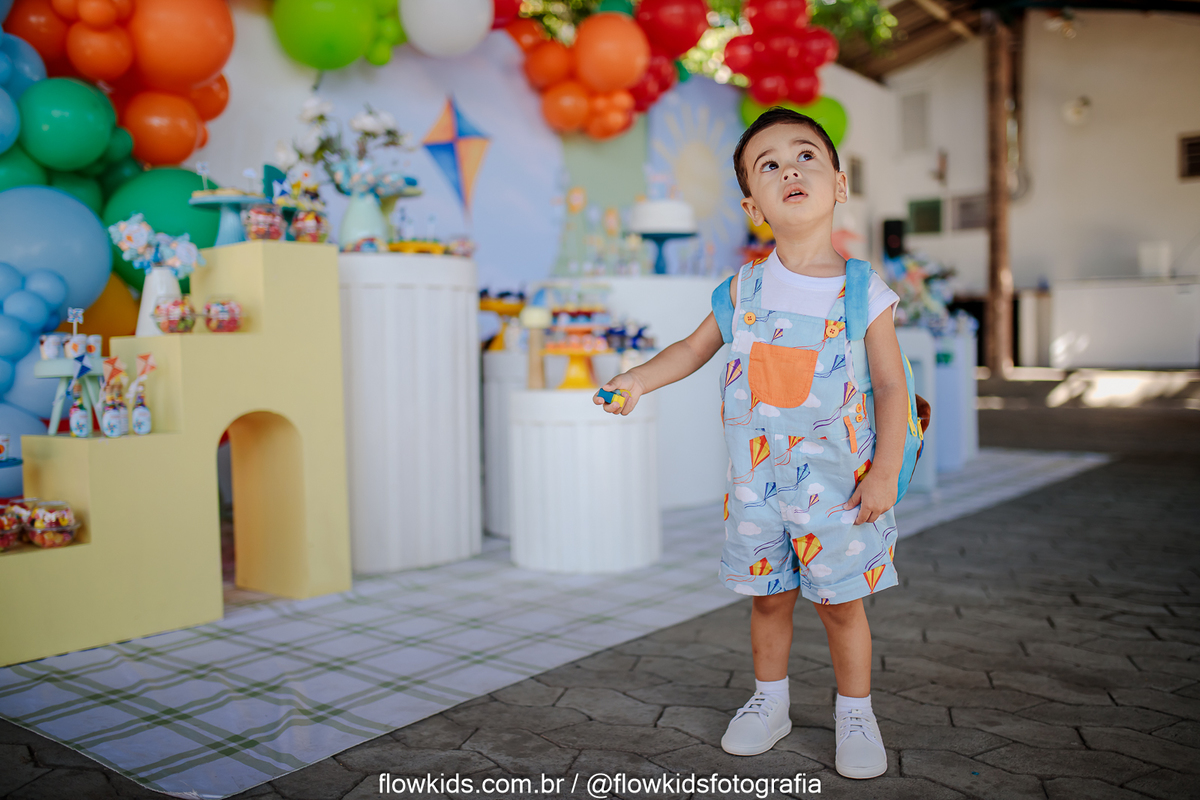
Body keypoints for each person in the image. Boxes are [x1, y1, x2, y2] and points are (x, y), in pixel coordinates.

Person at [594, 108, 906, 779]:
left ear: (839, 184)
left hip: (839, 491)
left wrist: (885, 470)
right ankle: (770, 702)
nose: (789, 169)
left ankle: (856, 712)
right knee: (768, 598)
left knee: (841, 605)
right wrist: (638, 378)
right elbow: (690, 350)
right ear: (752, 206)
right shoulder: (742, 289)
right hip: (756, 490)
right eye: (769, 165)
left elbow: (889, 386)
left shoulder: (864, 292)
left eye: (805, 156)